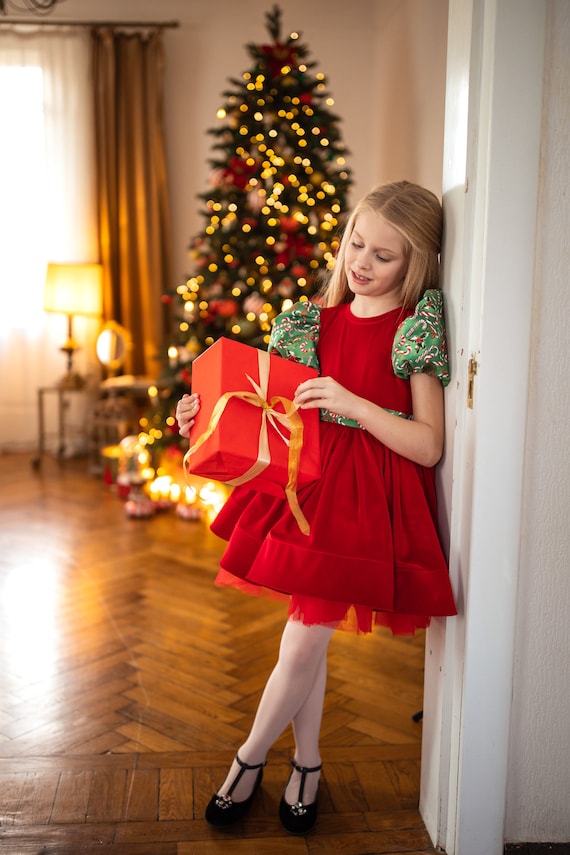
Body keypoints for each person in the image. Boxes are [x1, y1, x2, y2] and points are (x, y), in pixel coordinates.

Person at [175, 180, 457, 835]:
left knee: (302, 642)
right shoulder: (312, 321)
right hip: (308, 487)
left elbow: (429, 443)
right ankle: (307, 763)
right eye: (356, 242)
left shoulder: (412, 328)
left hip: (364, 502)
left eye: (383, 255)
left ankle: (247, 761)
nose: (360, 261)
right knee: (307, 641)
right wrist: (196, 419)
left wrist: (357, 406)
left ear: (414, 262)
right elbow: (262, 411)